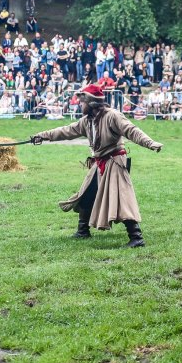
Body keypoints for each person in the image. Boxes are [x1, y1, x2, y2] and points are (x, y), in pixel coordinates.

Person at [32, 84, 163, 246]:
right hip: (99, 162)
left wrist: (150, 143)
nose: (80, 105)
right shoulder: (86, 121)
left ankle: (136, 237)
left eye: (82, 102)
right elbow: (66, 131)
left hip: (115, 161)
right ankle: (83, 230)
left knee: (122, 198)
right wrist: (42, 136)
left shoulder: (113, 116)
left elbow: (132, 130)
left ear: (91, 103)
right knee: (87, 194)